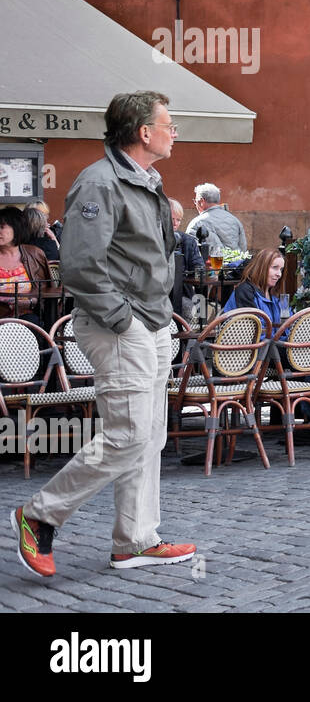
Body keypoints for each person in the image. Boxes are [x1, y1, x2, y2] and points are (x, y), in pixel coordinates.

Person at [13, 90, 195, 577]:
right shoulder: (99, 183)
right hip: (120, 324)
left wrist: (151, 318)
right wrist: (125, 319)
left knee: (150, 435)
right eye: (168, 124)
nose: (173, 132)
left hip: (151, 322)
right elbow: (80, 266)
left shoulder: (147, 179)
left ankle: (136, 539)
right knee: (128, 433)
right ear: (143, 133)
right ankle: (39, 516)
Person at [0, 205, 52, 324]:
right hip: (1, 319)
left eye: (2, 227)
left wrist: (30, 302)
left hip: (28, 318)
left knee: (33, 324)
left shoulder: (34, 254)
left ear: (17, 228)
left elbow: (46, 291)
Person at [186, 183, 248, 253]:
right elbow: (243, 248)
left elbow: (190, 251)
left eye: (195, 201)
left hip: (211, 263)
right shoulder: (235, 220)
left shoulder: (197, 223)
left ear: (202, 201)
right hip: (236, 263)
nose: (195, 204)